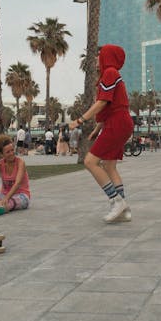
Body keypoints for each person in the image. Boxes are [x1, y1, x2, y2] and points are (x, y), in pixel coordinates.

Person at [69, 44, 134, 223]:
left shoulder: (110, 73)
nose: (97, 60)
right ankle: (124, 208)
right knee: (110, 166)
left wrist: (79, 120)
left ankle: (116, 201)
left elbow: (102, 103)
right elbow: (108, 107)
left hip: (118, 122)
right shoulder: (110, 74)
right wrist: (98, 130)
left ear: (107, 57)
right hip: (120, 122)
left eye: (99, 56)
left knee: (90, 161)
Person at [0, 134, 31, 215]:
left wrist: (6, 198)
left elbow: (17, 183)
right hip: (4, 195)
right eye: (8, 152)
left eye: (12, 150)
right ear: (2, 154)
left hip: (22, 195)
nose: (12, 153)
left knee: (9, 203)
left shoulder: (20, 162)